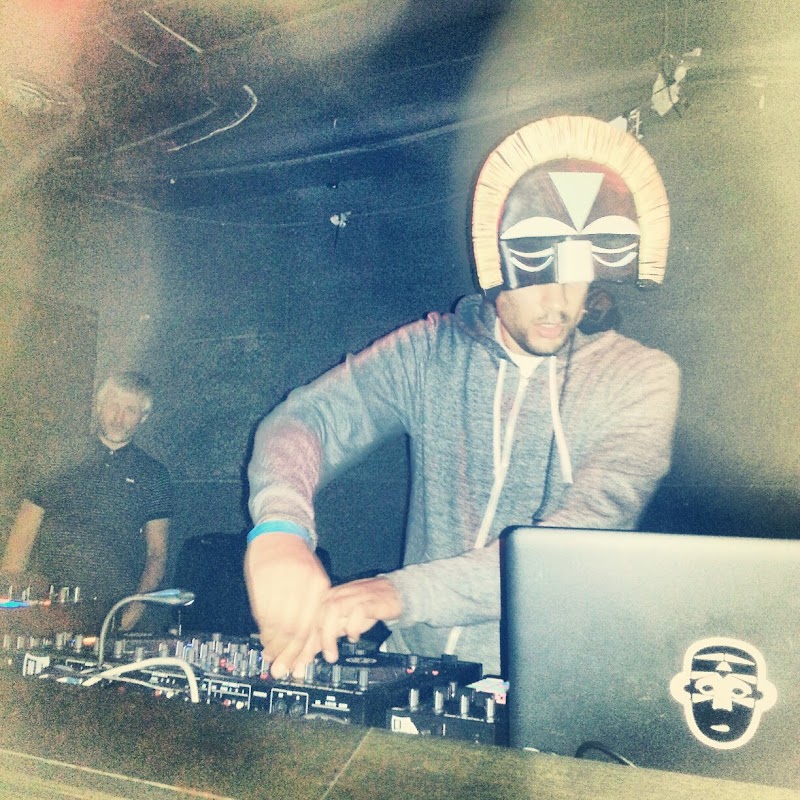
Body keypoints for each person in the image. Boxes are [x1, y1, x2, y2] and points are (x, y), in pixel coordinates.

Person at [244, 115, 681, 679]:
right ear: (496, 266)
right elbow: (306, 421)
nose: (558, 303)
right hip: (414, 667)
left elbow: (572, 541)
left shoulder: (640, 378)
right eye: (537, 276)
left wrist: (397, 593)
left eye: (576, 277)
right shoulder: (431, 351)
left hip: (548, 682)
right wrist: (280, 531)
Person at [1, 371, 173, 630]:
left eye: (130, 409)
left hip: (112, 609)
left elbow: (156, 554)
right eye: (113, 405)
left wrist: (132, 613)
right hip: (48, 608)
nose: (119, 417)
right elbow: (22, 535)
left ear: (143, 416)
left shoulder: (153, 474)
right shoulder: (58, 458)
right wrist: (8, 606)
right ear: (99, 406)